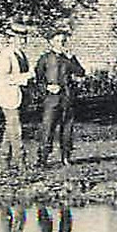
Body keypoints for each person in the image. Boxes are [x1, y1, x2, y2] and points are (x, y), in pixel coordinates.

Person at [34, 30, 86, 167]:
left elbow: (80, 73)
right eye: (57, 41)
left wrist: (72, 58)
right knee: (48, 128)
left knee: (67, 129)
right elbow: (37, 79)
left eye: (63, 41)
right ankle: (43, 159)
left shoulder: (68, 58)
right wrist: (47, 87)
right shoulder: (45, 58)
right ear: (51, 42)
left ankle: (66, 157)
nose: (60, 44)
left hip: (68, 98)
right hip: (51, 99)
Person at [0, 28, 35, 168]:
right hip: (8, 96)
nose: (23, 41)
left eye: (24, 38)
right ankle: (20, 161)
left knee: (10, 128)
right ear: (10, 39)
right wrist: (26, 77)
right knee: (15, 129)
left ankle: (4, 159)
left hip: (19, 95)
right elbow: (3, 78)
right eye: (19, 38)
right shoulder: (6, 55)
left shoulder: (21, 54)